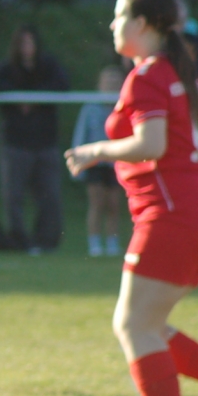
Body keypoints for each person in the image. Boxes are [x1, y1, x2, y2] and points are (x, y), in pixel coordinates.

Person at [65, 0, 198, 396]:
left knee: (133, 325)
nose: (112, 25)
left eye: (119, 15)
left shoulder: (148, 75)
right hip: (192, 213)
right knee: (150, 325)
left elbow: (152, 144)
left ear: (142, 24)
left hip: (171, 217)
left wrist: (95, 151)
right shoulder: (180, 74)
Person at [0, 25, 70, 252]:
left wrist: (36, 98)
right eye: (23, 43)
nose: (27, 48)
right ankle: (18, 241)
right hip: (16, 143)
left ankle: (45, 241)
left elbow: (63, 84)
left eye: (31, 42)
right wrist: (15, 97)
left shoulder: (48, 67)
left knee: (49, 195)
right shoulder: (8, 69)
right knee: (13, 196)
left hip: (45, 142)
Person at [70, 63, 126, 258]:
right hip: (95, 163)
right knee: (97, 203)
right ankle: (94, 244)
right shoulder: (90, 107)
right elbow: (81, 134)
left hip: (116, 162)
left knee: (114, 204)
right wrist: (78, 160)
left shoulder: (124, 106)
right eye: (108, 81)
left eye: (116, 82)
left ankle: (112, 243)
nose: (111, 85)